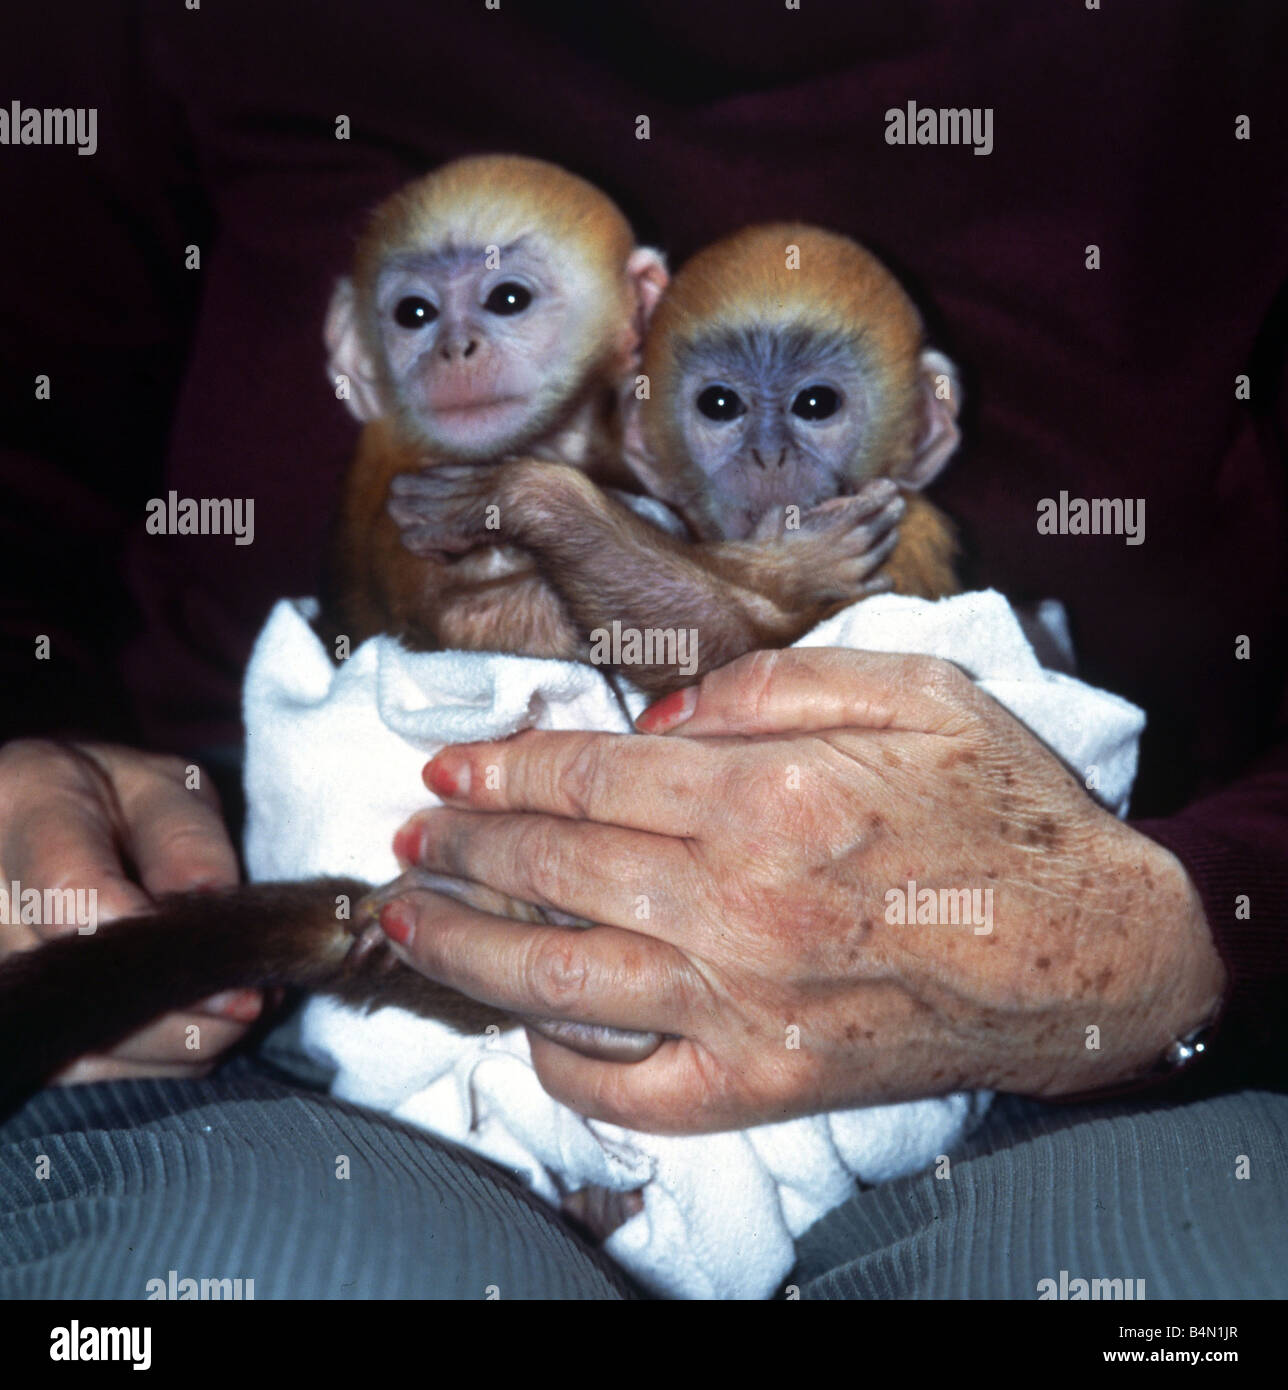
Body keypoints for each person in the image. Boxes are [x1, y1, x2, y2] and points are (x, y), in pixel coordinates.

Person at [1, 1, 1284, 1299]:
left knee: (1195, 1288)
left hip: (1092, 1042)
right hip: (306, 1018)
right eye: (721, 410)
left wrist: (1179, 932)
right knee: (284, 1274)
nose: (773, 462)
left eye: (817, 409)